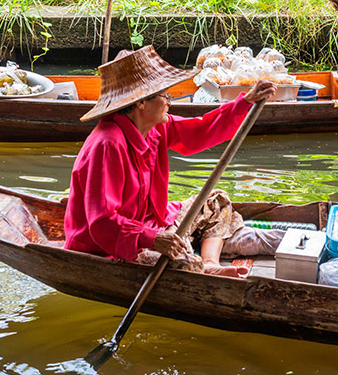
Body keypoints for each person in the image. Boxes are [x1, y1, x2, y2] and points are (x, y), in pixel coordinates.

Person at [63, 45, 281, 279]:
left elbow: (202, 130)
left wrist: (245, 103)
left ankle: (210, 262)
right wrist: (152, 239)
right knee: (185, 268)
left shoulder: (156, 128)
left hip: (153, 223)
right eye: (164, 95)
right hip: (108, 246)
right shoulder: (107, 145)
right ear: (141, 103)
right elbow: (103, 222)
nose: (169, 101)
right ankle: (199, 264)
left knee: (217, 202)